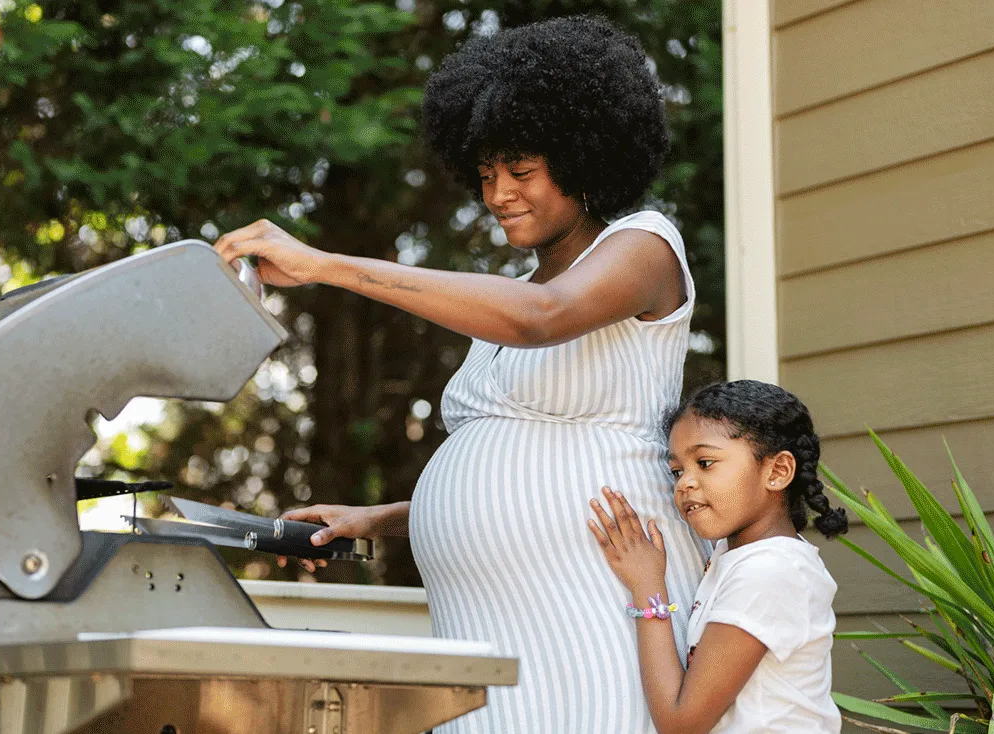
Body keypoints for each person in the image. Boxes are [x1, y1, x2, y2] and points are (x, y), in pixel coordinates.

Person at [215, 15, 709, 732]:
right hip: (487, 630)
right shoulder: (511, 289)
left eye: (521, 172)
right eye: (485, 175)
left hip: (597, 606)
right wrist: (375, 521)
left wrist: (324, 265)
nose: (498, 193)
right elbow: (512, 478)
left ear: (584, 157)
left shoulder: (644, 244)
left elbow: (543, 316)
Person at [588, 380, 848, 733]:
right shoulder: (736, 555)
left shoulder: (770, 571)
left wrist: (648, 588)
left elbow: (681, 724)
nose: (684, 483)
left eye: (705, 462)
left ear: (777, 472)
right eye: (677, 471)